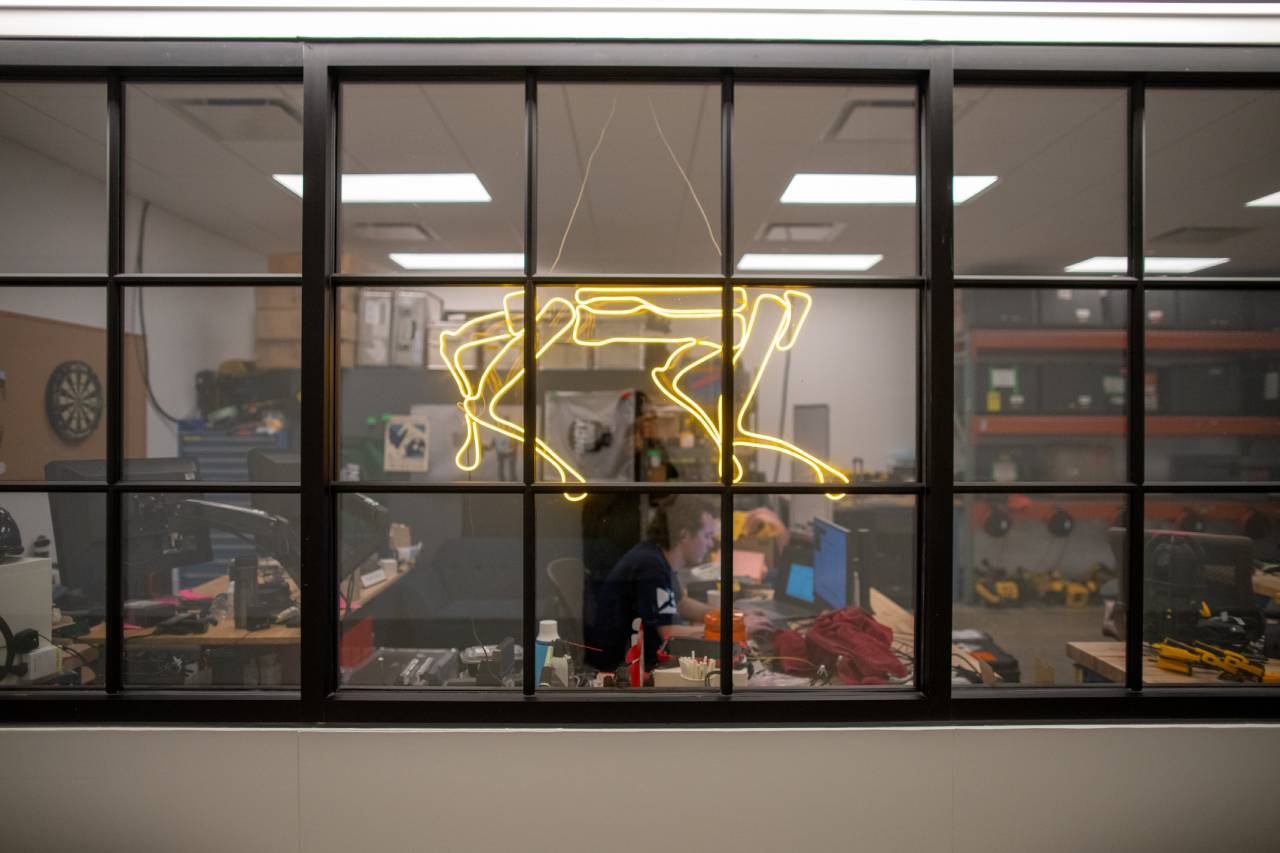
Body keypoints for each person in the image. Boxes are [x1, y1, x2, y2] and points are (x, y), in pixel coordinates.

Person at [587, 495, 777, 674]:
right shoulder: (651, 566)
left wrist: (733, 618)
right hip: (621, 670)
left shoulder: (656, 555)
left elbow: (680, 602)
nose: (711, 544)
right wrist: (735, 630)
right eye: (707, 536)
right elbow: (670, 634)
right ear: (685, 534)